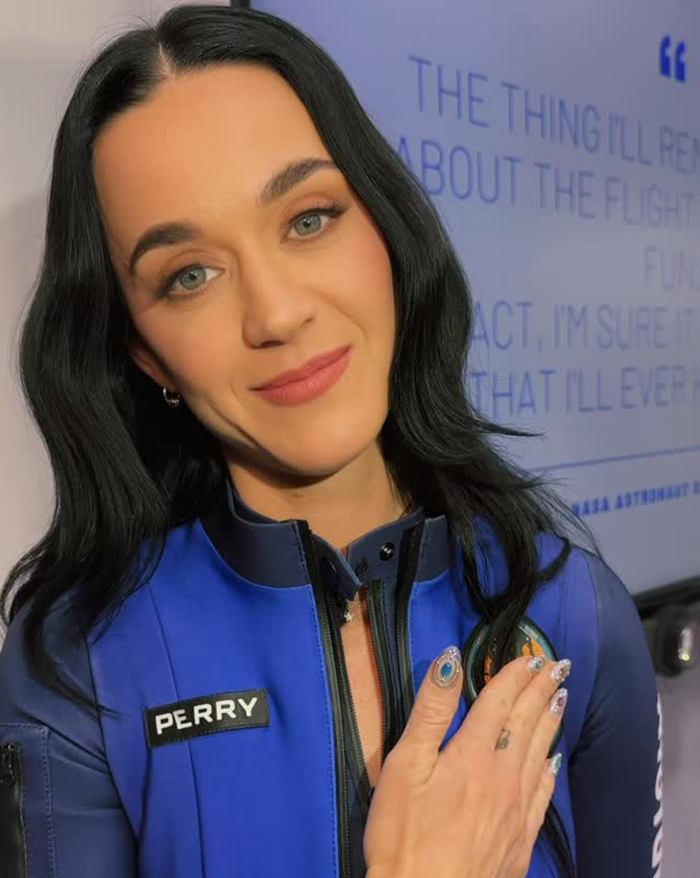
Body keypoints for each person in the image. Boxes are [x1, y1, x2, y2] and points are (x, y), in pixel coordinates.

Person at [0, 6, 661, 878]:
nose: (276, 313)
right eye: (189, 275)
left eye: (309, 219)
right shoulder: (76, 661)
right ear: (145, 349)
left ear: (383, 228)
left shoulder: (574, 609)